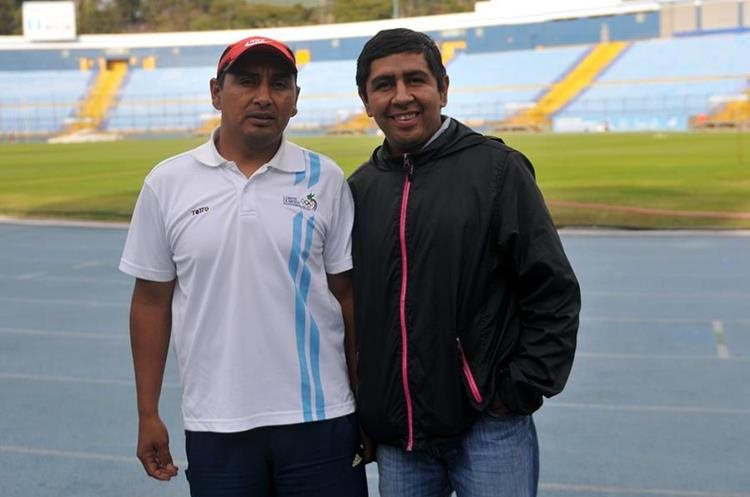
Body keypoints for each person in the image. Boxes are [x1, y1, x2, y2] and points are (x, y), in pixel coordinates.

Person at [119, 35, 368, 497]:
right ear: (217, 92)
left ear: (295, 100)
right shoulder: (167, 183)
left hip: (321, 417)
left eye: (279, 84)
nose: (263, 96)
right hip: (218, 422)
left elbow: (346, 296)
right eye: (247, 81)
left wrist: (365, 400)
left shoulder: (326, 178)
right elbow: (151, 304)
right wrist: (148, 414)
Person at [348, 28, 581, 497]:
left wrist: (517, 390)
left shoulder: (497, 170)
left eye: (415, 80)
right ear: (366, 100)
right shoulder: (359, 190)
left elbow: (552, 289)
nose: (402, 97)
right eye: (384, 85)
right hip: (400, 438)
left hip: (488, 428)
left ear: (443, 88)